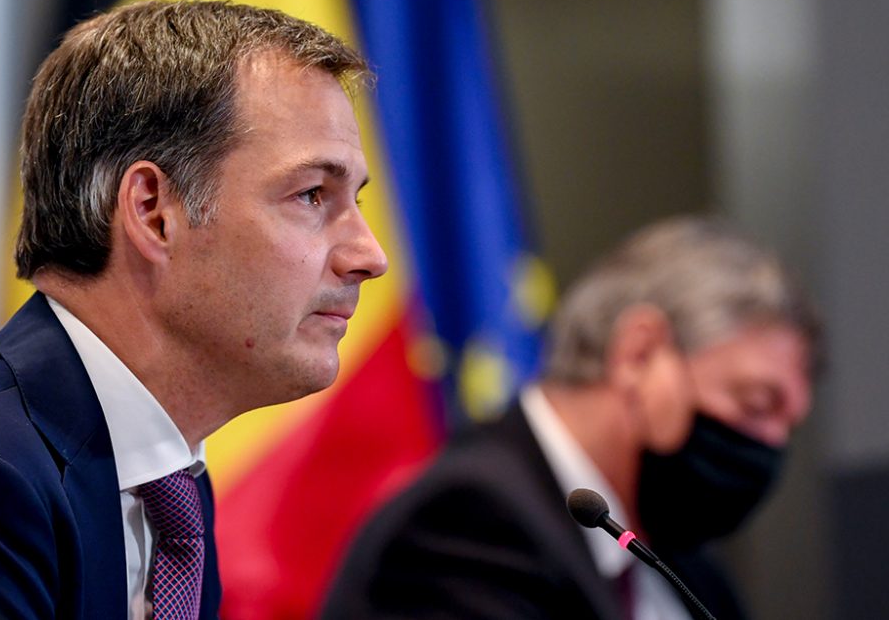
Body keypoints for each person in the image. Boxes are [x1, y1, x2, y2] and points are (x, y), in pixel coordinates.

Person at [0, 0, 387, 619]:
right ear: (153, 211)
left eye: (356, 200)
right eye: (313, 194)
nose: (370, 255)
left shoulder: (167, 484)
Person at [321, 216, 820, 620]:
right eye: (756, 404)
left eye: (789, 426)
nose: (772, 444)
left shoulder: (686, 569)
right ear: (639, 354)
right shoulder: (463, 523)